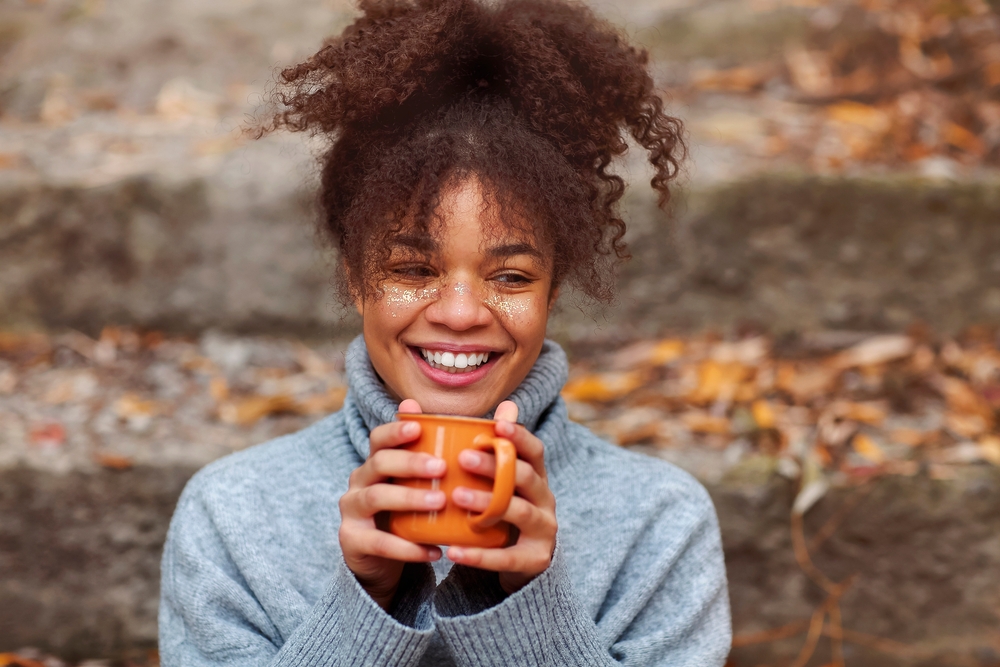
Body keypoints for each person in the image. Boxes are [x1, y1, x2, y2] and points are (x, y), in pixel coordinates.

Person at [158, 0, 731, 664]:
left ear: (553, 288)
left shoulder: (660, 525)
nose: (460, 311)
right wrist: (363, 607)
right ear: (353, 278)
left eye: (511, 277)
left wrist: (531, 603)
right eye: (412, 268)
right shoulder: (233, 517)